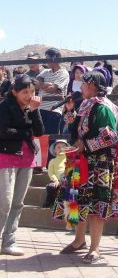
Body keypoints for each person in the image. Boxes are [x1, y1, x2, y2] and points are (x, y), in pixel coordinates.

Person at [53, 71, 118, 264]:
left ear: (92, 85)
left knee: (95, 206)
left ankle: (95, 248)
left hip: (98, 164)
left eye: (83, 84)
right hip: (80, 161)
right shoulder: (86, 104)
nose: (81, 88)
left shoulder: (102, 107)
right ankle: (78, 241)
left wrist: (85, 145)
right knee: (77, 202)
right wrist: (69, 111)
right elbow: (77, 129)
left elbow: (110, 137)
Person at [0, 75, 44, 256]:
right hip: (6, 157)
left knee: (18, 202)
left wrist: (34, 111)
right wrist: (26, 130)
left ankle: (9, 242)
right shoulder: (4, 107)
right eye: (25, 92)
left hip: (27, 159)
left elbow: (40, 132)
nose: (29, 95)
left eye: (32, 92)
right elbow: (3, 131)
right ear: (14, 92)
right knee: (5, 202)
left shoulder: (31, 108)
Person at [36, 47, 70, 135]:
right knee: (39, 138)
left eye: (47, 58)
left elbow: (52, 89)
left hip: (53, 110)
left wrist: (43, 85)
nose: (46, 61)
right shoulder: (45, 71)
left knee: (50, 139)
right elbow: (35, 83)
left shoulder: (64, 73)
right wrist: (48, 84)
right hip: (40, 109)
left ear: (54, 57)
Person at [42, 139, 68, 208]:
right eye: (58, 147)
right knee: (50, 187)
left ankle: (62, 203)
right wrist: (56, 180)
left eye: (63, 147)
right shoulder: (52, 161)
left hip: (67, 181)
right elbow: (51, 172)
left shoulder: (70, 160)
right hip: (56, 180)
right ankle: (49, 201)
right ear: (54, 150)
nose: (61, 149)